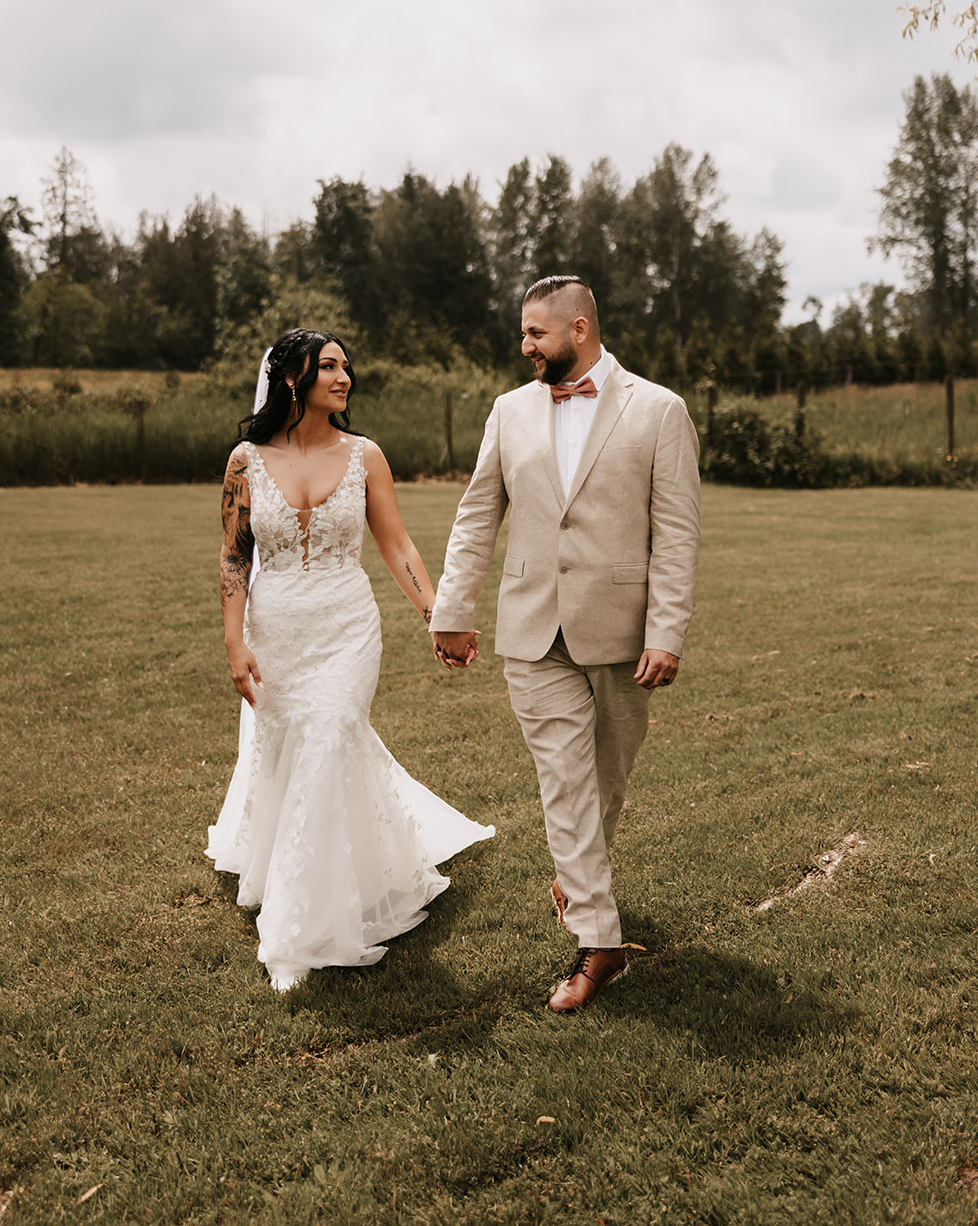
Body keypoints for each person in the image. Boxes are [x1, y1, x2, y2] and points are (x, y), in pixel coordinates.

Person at [430, 276, 700, 1015]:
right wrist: (451, 610)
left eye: (535, 334)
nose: (524, 346)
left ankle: (579, 878)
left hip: (622, 629)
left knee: (605, 779)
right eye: (523, 333)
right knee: (564, 780)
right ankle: (598, 941)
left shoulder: (659, 410)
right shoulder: (507, 411)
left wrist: (665, 630)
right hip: (530, 626)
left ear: (578, 330)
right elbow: (476, 514)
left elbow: (675, 534)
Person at [208, 327, 493, 992]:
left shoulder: (366, 455)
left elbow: (396, 547)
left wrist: (437, 616)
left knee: (332, 734)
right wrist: (233, 639)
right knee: (292, 750)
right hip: (274, 629)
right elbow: (233, 554)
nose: (343, 378)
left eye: (345, 367)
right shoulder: (244, 461)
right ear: (290, 379)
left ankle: (300, 929)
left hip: (346, 627)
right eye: (327, 367)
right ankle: (330, 864)